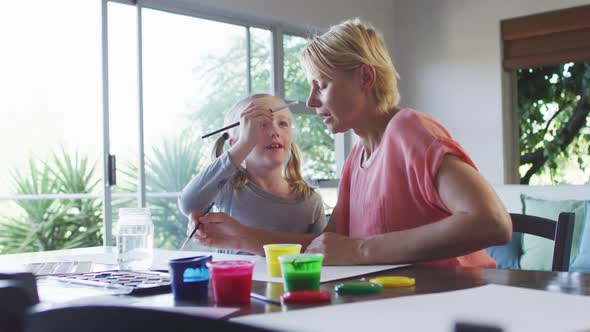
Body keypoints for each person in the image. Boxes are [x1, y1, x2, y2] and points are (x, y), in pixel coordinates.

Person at [194, 18, 512, 267]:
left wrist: (361, 250)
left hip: (457, 301)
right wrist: (243, 238)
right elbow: (330, 247)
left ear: (365, 78)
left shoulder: (408, 130)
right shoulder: (357, 157)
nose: (311, 101)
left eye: (322, 85)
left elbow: (492, 222)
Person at [178, 94, 325, 254]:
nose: (274, 131)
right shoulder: (228, 189)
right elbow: (188, 204)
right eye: (259, 125)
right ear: (235, 144)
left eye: (283, 123)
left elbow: (324, 253)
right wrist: (244, 144)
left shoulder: (310, 201)